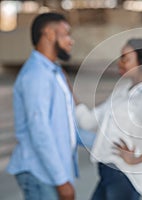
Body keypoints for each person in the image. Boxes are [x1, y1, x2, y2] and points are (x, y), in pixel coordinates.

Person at [6, 12, 94, 200]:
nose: (71, 41)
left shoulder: (55, 72)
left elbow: (67, 127)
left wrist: (104, 143)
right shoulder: (37, 75)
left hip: (53, 172)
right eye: (66, 33)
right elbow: (40, 131)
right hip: (40, 174)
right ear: (49, 34)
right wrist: (61, 181)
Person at [75, 38, 142, 200]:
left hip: (126, 179)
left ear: (141, 63)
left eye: (125, 58)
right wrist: (68, 91)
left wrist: (136, 158)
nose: (120, 63)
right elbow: (89, 121)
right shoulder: (122, 90)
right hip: (108, 173)